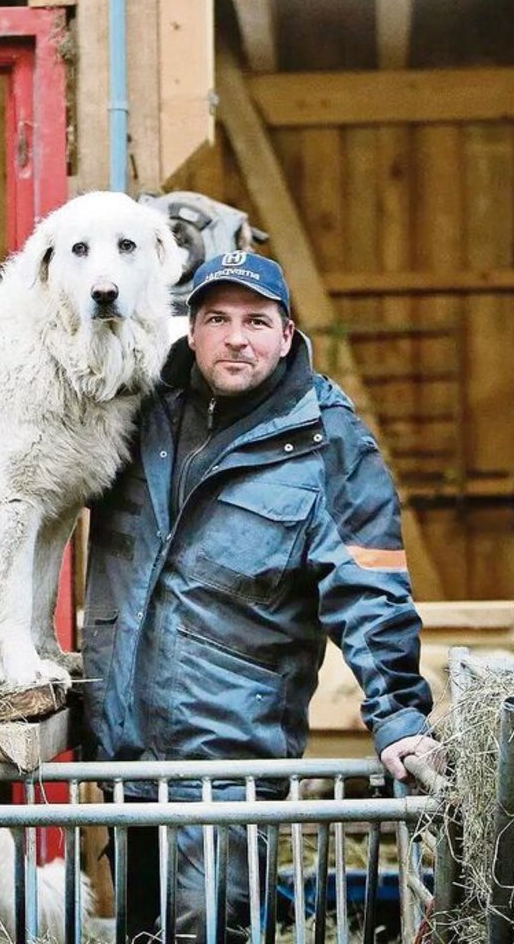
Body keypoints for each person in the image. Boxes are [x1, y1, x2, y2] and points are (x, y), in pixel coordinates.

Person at [80, 250, 438, 942]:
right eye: (217, 319)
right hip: (124, 758)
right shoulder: (136, 413)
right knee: (140, 931)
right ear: (191, 330)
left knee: (214, 930)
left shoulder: (328, 439)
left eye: (256, 321)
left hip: (231, 768)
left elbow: (369, 588)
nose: (236, 338)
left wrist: (398, 714)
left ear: (286, 333)